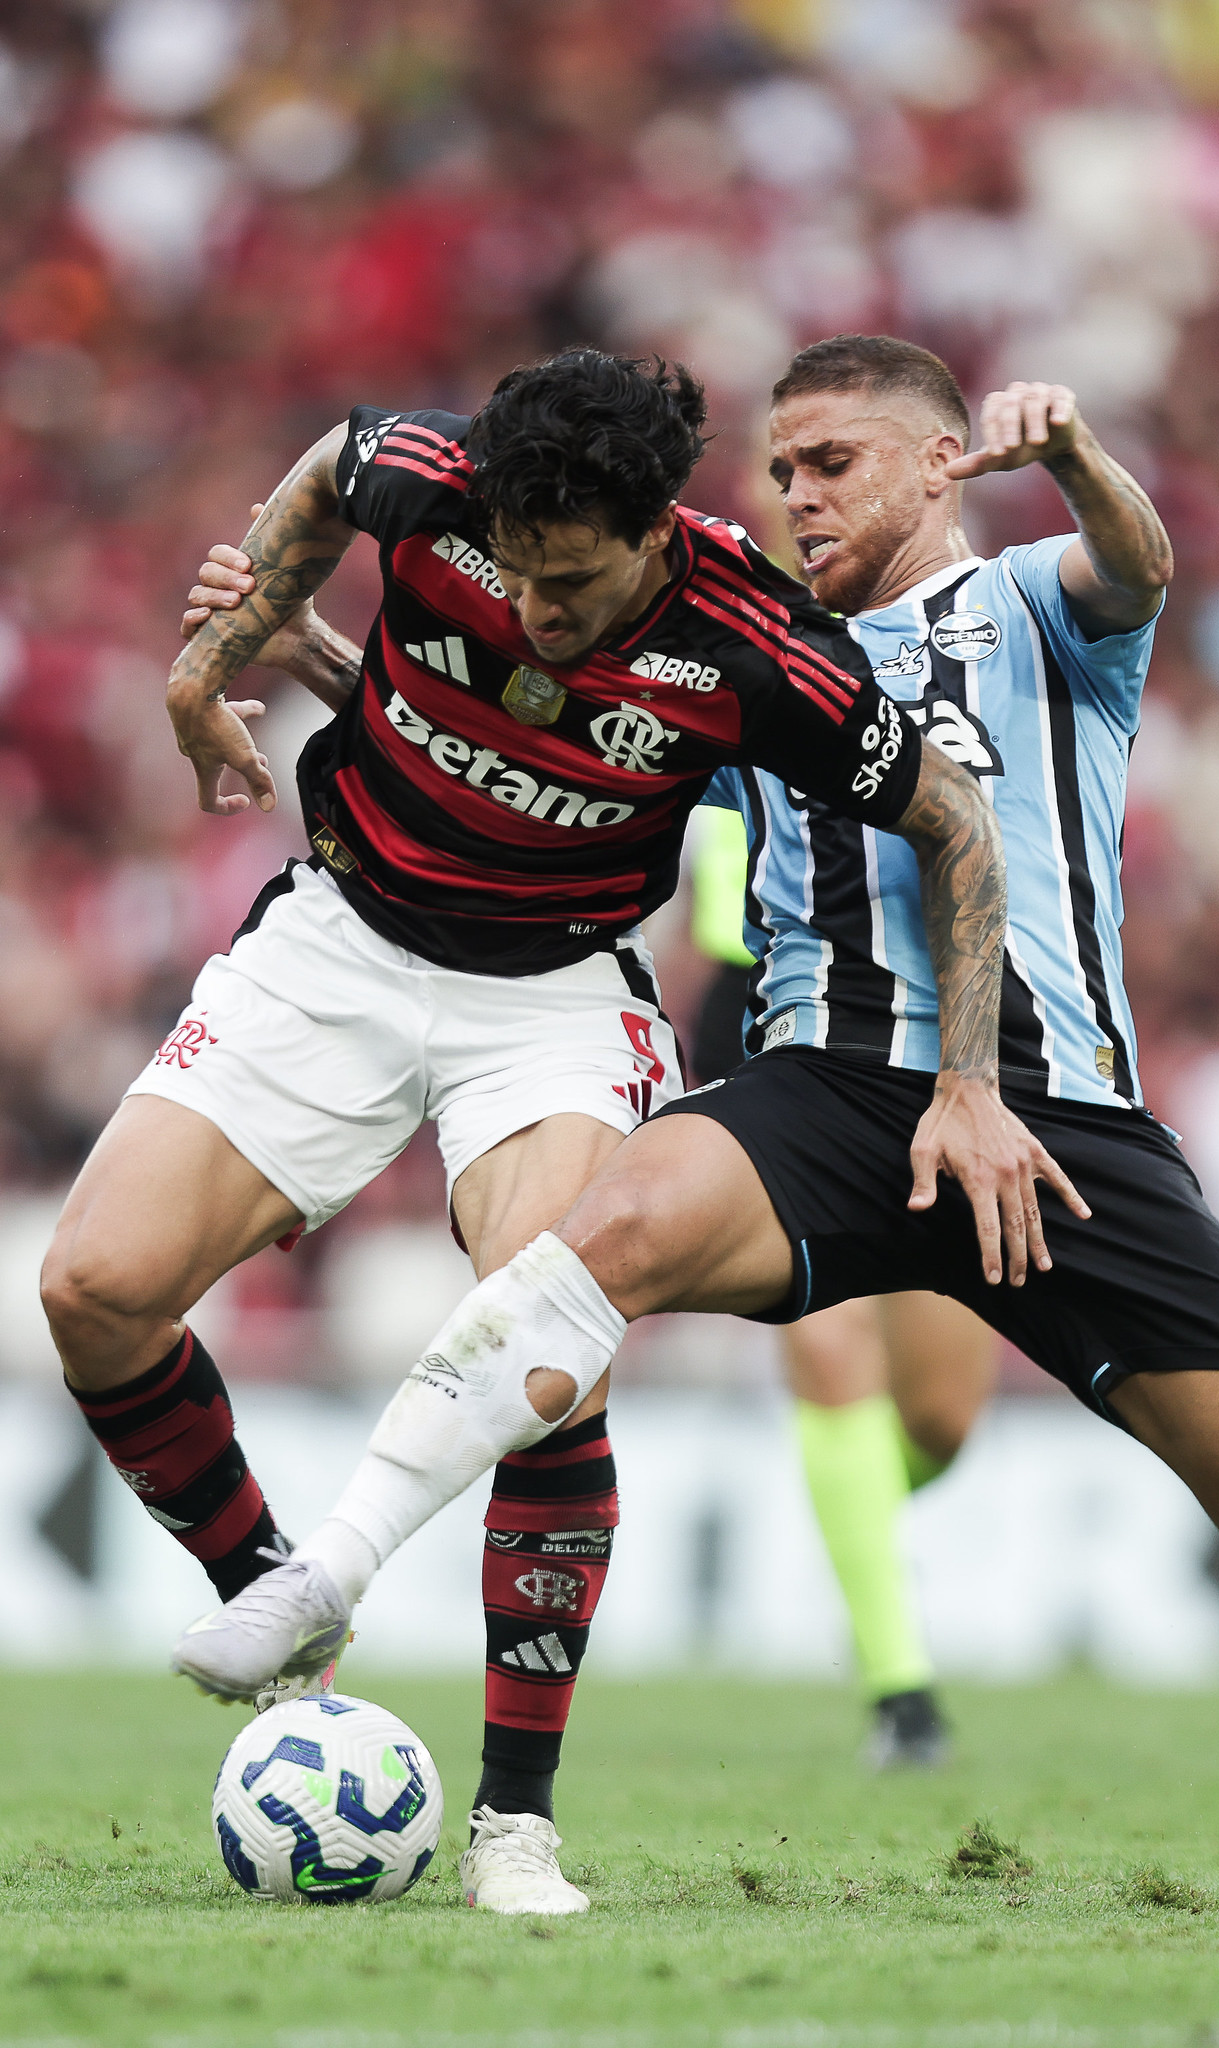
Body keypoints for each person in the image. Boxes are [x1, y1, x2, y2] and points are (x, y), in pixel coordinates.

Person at [180, 335, 1219, 1917]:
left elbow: (1140, 561)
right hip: (832, 1089)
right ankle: (326, 1575)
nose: (795, 497)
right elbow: (532, 756)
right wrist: (306, 651)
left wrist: (1075, 455)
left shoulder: (1035, 609)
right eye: (779, 472)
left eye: (831, 463)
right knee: (602, 1234)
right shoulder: (741, 651)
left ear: (937, 464)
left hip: (1058, 1120)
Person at [43, 347, 1042, 1917]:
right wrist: (205, 672)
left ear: (655, 529)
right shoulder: (424, 478)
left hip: (551, 997)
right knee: (90, 1291)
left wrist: (968, 1082)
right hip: (339, 941)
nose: (537, 613)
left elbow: (952, 820)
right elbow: (315, 483)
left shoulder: (754, 643)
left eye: (571, 583)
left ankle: (515, 1823)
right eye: (513, 572)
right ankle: (279, 1606)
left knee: (544, 1339)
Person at [690, 808, 998, 1766]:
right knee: (829, 1347)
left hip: (938, 1039)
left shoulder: (954, 690)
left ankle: (855, 1536)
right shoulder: (757, 676)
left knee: (940, 1421)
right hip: (780, 1019)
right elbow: (709, 895)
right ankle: (903, 1696)